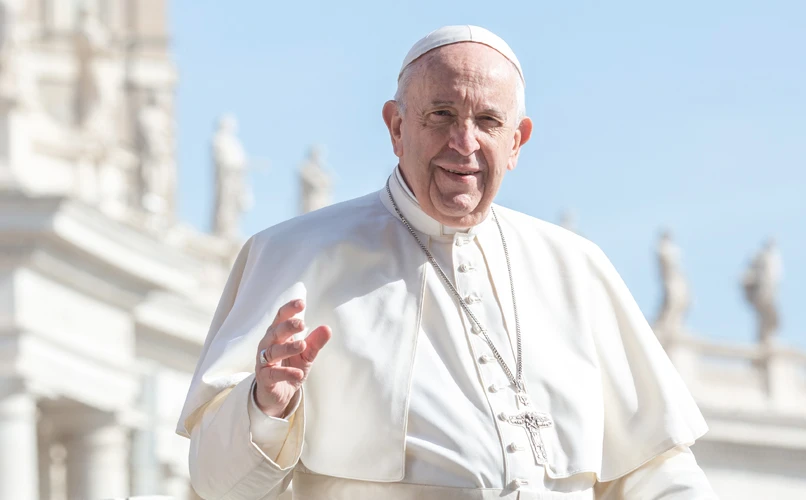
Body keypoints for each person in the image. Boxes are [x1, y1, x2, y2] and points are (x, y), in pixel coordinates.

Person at [178, 25, 717, 500]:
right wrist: (265, 409)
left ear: (517, 141)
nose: (464, 142)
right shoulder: (294, 255)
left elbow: (655, 469)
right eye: (441, 115)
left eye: (487, 121)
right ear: (396, 127)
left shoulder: (577, 268)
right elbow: (217, 486)